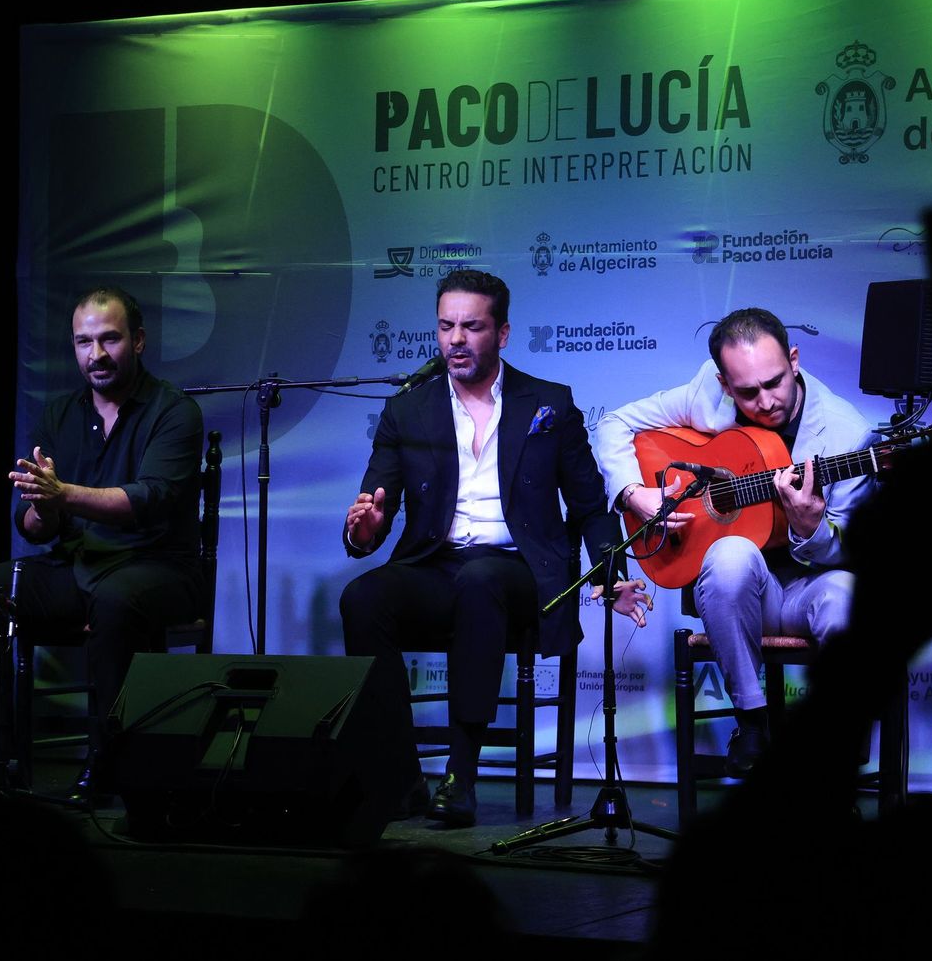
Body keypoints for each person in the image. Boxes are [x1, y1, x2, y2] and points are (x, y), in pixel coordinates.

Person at [340, 269, 650, 827]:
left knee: (480, 580)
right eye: (446, 327)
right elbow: (375, 513)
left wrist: (609, 571)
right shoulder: (408, 409)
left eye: (471, 327)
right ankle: (400, 778)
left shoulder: (548, 405)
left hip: (520, 569)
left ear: (501, 334)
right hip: (435, 563)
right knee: (363, 599)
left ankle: (460, 776)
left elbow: (588, 503)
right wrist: (363, 529)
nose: (456, 339)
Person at [595, 307, 873, 774]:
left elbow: (852, 549)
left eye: (775, 381)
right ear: (725, 384)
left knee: (848, 599)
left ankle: (837, 746)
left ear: (795, 359)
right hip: (747, 592)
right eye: (747, 391)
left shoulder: (848, 434)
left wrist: (808, 527)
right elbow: (613, 425)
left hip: (814, 586)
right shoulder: (707, 393)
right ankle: (752, 719)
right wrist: (633, 493)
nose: (766, 401)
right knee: (729, 554)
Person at [0, 286, 203, 785]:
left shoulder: (173, 412)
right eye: (85, 342)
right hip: (77, 566)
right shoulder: (60, 415)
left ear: (140, 340)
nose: (97, 355)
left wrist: (61, 494)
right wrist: (43, 507)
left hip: (157, 569)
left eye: (110, 339)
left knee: (114, 600)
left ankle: (112, 767)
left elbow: (147, 500)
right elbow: (32, 525)